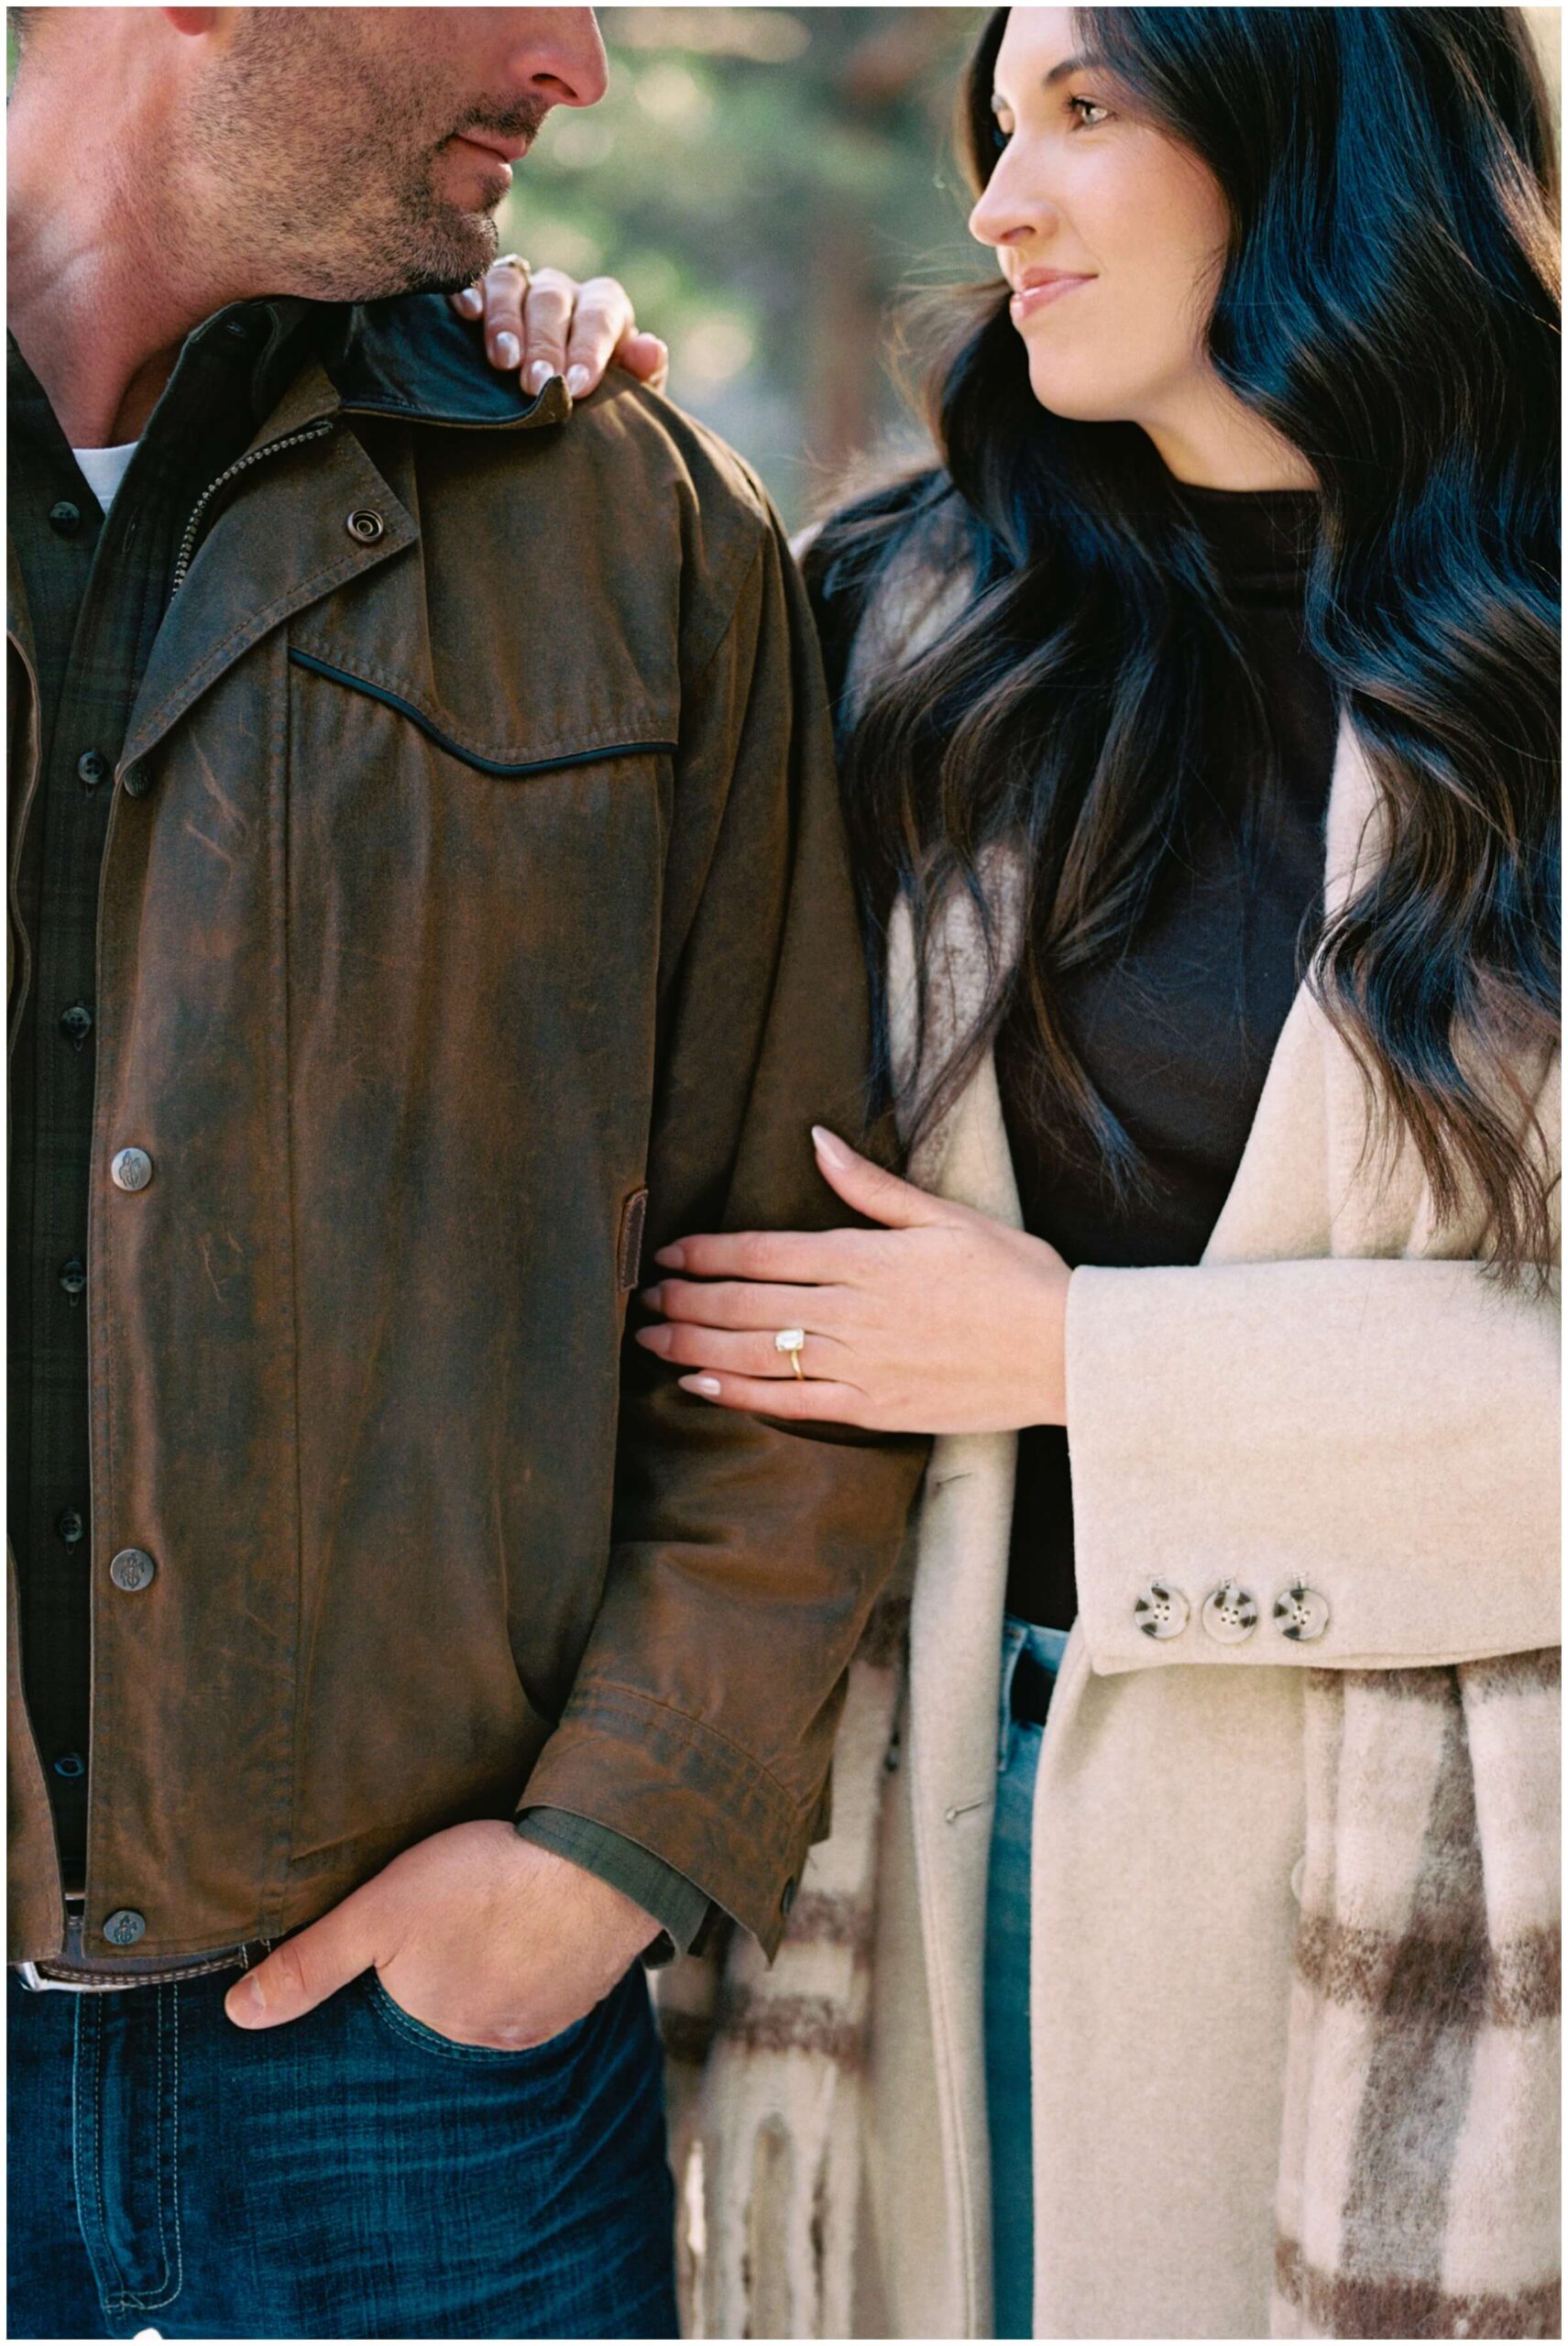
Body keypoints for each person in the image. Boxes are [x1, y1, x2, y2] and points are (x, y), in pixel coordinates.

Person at [465, 6, 1561, 2336]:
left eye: (1084, 110)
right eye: (991, 125)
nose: (996, 203)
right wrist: (505, 429)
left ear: (1317, 133)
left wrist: (1076, 1357)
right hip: (958, 1824)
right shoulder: (910, 628)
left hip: (1470, 1927)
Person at [5, 8, 926, 2339]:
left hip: (420, 2077)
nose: (579, 59)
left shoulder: (637, 527)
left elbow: (786, 1291)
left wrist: (598, 1859)